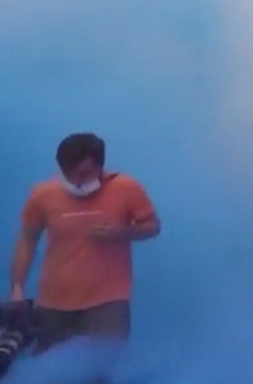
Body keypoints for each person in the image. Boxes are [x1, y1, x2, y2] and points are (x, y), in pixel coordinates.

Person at [8, 133, 160, 355]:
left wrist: (121, 232)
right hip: (52, 305)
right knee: (49, 368)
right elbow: (27, 240)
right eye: (67, 173)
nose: (75, 181)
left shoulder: (127, 188)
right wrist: (17, 288)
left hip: (107, 304)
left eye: (83, 174)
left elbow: (152, 227)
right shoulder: (43, 195)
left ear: (100, 166)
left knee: (101, 367)